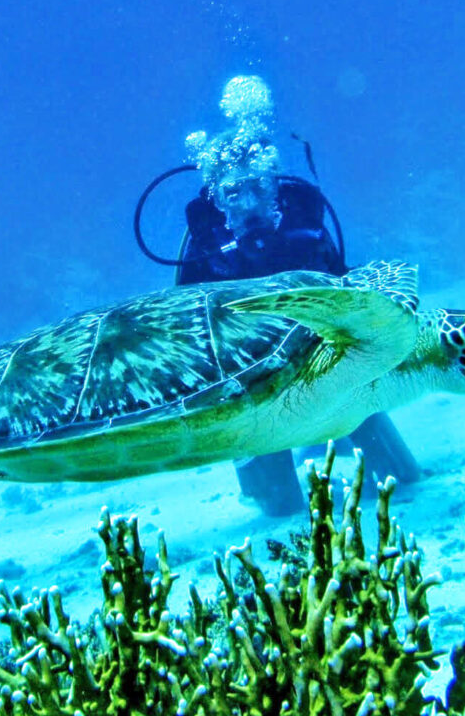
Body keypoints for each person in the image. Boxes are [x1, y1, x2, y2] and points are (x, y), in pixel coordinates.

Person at [141, 76, 420, 515]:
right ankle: (287, 469)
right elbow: (189, 333)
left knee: (400, 477)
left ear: (273, 184)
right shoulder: (203, 247)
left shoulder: (304, 227)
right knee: (278, 506)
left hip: (329, 364)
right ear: (216, 197)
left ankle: (336, 445)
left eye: (257, 187)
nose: (247, 203)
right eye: (233, 192)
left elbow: (347, 296)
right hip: (248, 383)